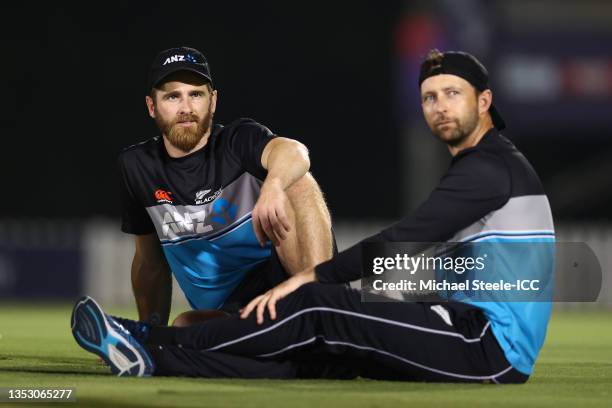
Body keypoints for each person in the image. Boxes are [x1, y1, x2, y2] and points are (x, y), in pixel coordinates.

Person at [72, 49, 555, 383]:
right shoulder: (486, 165)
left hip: (489, 346)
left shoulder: (490, 169)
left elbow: (408, 238)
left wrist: (311, 280)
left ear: (484, 101)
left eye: (453, 94)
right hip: (463, 321)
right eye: (430, 97)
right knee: (319, 356)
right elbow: (452, 262)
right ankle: (148, 353)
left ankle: (149, 347)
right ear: (152, 106)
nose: (439, 108)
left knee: (316, 309)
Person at [116, 46, 334, 326]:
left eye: (196, 94)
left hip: (289, 279)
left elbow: (295, 152)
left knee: (297, 180)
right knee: (184, 326)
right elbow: (150, 262)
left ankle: (325, 308)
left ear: (213, 101)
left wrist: (273, 185)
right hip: (235, 310)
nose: (185, 108)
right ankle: (299, 335)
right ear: (152, 106)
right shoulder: (137, 166)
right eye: (172, 96)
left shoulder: (237, 141)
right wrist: (148, 332)